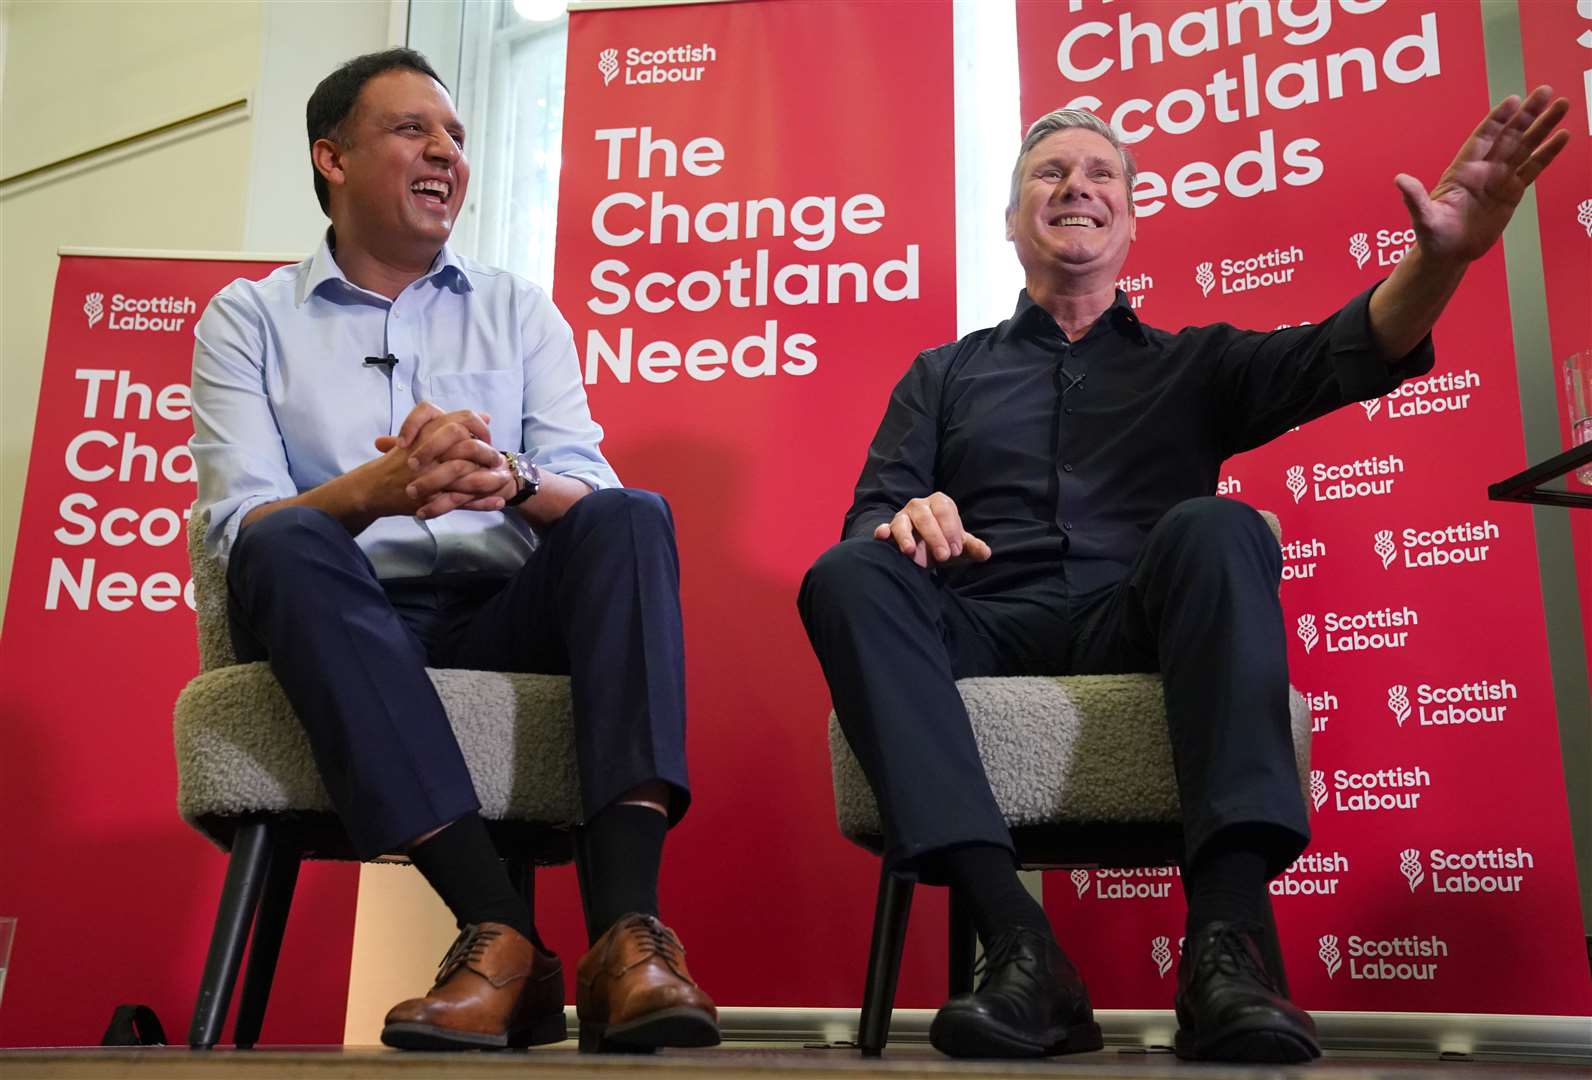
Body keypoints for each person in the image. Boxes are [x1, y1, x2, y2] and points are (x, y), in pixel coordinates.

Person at [799, 91, 1569, 1063]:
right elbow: (874, 508)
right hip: (980, 619)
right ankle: (1021, 946)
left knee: (1217, 526)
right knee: (848, 575)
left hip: (1138, 619)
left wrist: (1441, 257)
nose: (1075, 184)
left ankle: (1226, 949)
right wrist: (900, 520)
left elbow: (1350, 347)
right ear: (1008, 219)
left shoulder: (1194, 363)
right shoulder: (941, 375)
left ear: (1127, 218)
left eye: (1099, 173)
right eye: (1049, 171)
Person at [190, 49, 719, 1054]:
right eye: (412, 131)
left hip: (501, 609)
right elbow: (236, 523)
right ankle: (500, 932)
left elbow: (588, 487)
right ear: (331, 158)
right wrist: (374, 492)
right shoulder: (248, 318)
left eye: (458, 137)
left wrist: (507, 480)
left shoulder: (518, 307)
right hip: (344, 611)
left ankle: (626, 942)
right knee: (287, 536)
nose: (445, 152)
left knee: (631, 516)